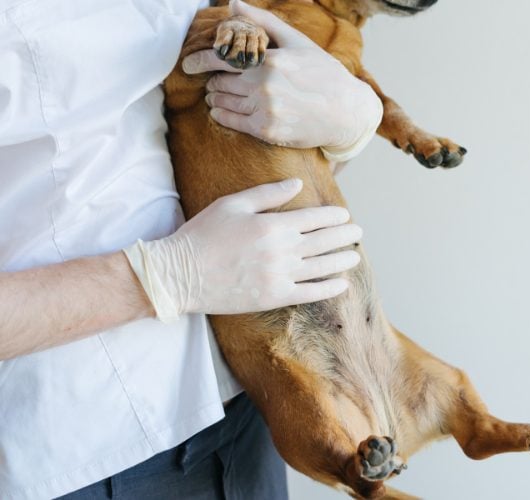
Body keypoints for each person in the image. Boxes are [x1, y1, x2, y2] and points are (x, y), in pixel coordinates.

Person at [0, 0, 383, 498]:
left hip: (247, 405)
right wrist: (163, 277)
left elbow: (234, 144)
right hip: (96, 447)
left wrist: (340, 127)